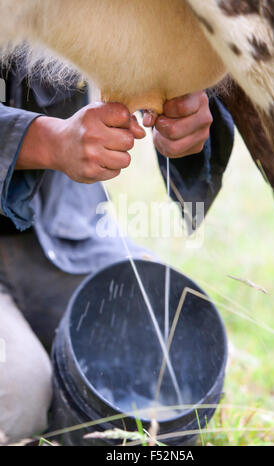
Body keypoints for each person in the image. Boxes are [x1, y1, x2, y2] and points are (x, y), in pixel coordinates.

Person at [0, 62, 234, 442]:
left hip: (62, 233)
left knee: (178, 339)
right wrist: (48, 140)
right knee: (20, 401)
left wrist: (189, 94)